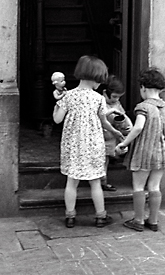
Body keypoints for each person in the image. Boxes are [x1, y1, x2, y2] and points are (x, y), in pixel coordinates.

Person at [53, 55, 124, 228]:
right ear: (96, 79)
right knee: (95, 182)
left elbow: (57, 119)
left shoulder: (68, 96)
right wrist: (115, 132)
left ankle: (70, 216)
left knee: (72, 181)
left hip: (73, 146)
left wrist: (56, 104)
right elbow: (103, 121)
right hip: (93, 146)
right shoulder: (98, 98)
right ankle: (101, 216)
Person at [115, 67, 165, 232]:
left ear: (143, 87)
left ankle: (138, 220)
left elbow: (138, 128)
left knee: (138, 186)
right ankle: (153, 220)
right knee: (154, 186)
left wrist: (123, 144)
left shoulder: (143, 107)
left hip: (145, 152)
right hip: (163, 152)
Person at [99, 75, 133, 191]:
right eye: (114, 96)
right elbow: (98, 118)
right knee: (103, 160)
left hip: (114, 136)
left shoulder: (116, 104)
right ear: (105, 92)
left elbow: (122, 117)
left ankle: (115, 157)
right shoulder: (99, 101)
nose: (116, 99)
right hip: (103, 137)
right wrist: (110, 112)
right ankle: (103, 181)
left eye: (119, 97)